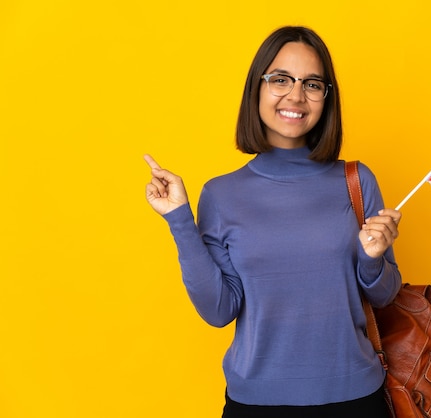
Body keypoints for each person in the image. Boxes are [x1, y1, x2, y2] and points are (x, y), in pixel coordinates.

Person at [144, 26, 402, 417]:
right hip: (255, 404)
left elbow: (385, 295)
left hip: (356, 399)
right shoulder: (220, 194)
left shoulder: (356, 180)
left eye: (312, 84)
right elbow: (219, 310)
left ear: (326, 98)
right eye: (280, 79)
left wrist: (371, 259)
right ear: (257, 88)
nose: (296, 96)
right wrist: (179, 219)